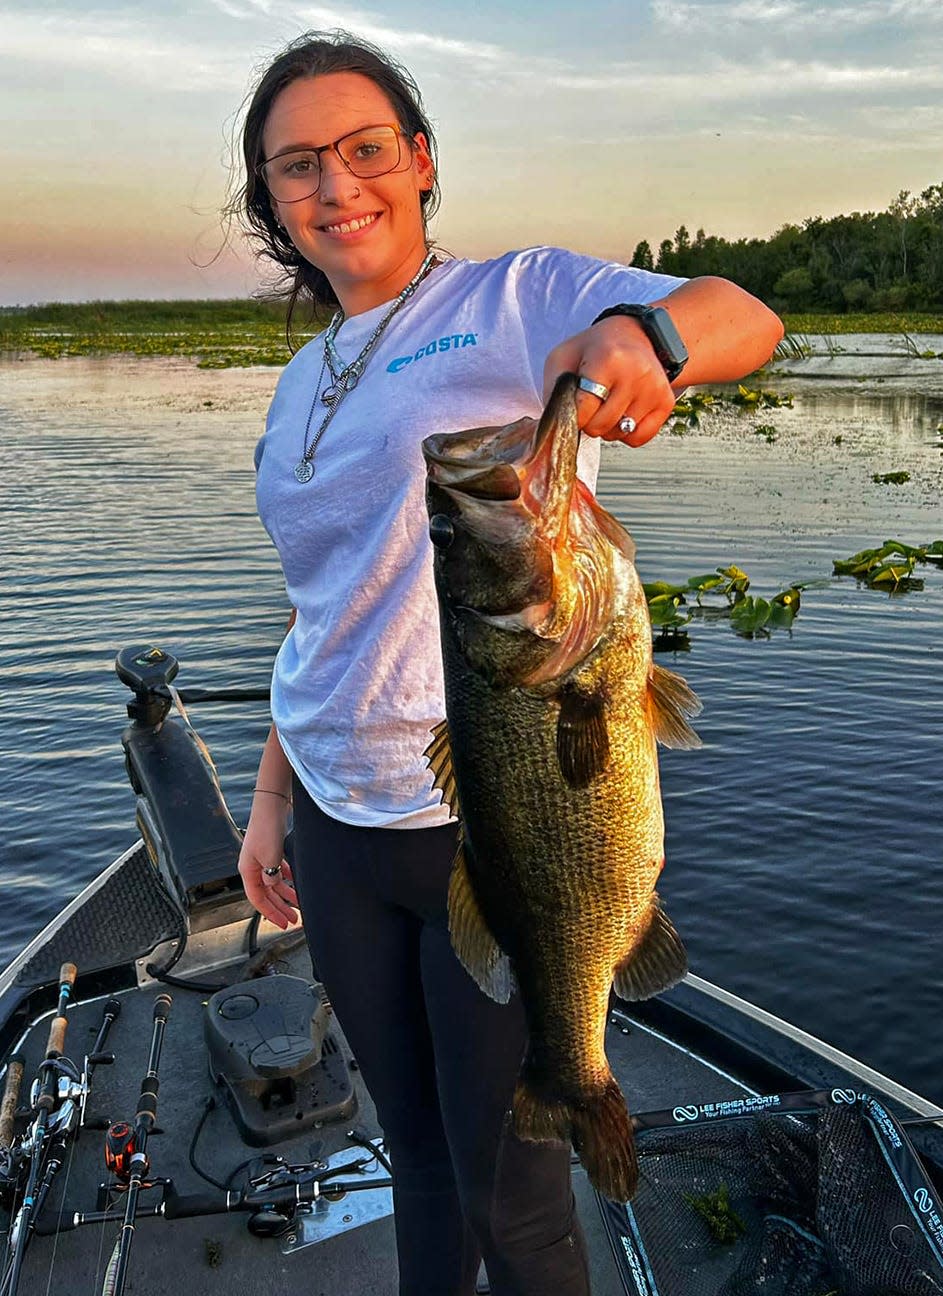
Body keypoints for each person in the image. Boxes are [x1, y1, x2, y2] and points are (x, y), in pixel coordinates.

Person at [235, 29, 783, 1296]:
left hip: (482, 828)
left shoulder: (513, 300)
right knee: (415, 1159)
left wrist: (648, 337)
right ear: (271, 200)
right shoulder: (298, 382)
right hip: (331, 819)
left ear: (420, 163)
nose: (337, 184)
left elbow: (740, 314)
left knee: (516, 1191)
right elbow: (320, 609)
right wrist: (270, 798)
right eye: (297, 164)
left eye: (365, 149)